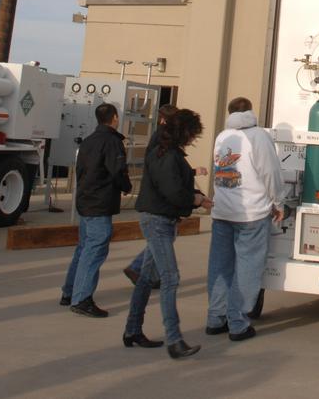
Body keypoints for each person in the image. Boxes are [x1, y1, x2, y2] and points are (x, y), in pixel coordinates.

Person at [124, 105, 212, 359]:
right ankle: (173, 339)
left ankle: (132, 330)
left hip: (160, 219)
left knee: (145, 277)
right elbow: (172, 191)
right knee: (170, 278)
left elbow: (175, 186)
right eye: (193, 134)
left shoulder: (167, 152)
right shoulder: (167, 155)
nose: (194, 139)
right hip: (157, 220)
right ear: (184, 132)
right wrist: (195, 200)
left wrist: (197, 197)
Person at [205, 96, 286, 340]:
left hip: (222, 211)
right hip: (251, 213)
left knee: (220, 267)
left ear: (230, 113)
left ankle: (215, 318)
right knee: (248, 268)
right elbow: (270, 172)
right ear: (251, 112)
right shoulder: (258, 136)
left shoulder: (222, 136)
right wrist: (278, 201)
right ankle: (238, 323)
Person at [60, 102, 132, 316]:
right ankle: (82, 298)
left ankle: (70, 291)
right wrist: (127, 187)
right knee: (95, 249)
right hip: (100, 202)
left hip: (85, 200)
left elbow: (81, 170)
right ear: (115, 118)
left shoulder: (89, 141)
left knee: (84, 248)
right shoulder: (112, 142)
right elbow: (117, 170)